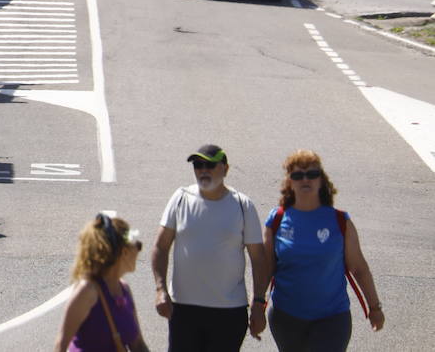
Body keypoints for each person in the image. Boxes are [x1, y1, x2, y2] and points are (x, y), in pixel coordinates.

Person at [152, 143, 268, 350]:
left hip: (229, 312)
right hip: (183, 309)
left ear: (225, 168)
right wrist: (161, 289)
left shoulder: (242, 205)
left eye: (210, 165)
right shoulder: (180, 199)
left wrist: (259, 304)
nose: (203, 170)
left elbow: (258, 259)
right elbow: (161, 246)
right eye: (198, 165)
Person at [264, 150, 383, 351]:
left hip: (332, 318)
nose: (305, 180)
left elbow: (359, 268)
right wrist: (258, 305)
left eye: (312, 174)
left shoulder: (339, 221)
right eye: (297, 175)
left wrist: (374, 307)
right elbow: (265, 267)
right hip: (286, 316)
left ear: (321, 180)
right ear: (289, 182)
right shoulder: (277, 219)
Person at [55, 212, 150, 351]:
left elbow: (138, 345)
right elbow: (60, 345)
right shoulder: (87, 291)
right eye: (138, 245)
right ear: (124, 251)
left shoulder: (124, 290)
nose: (139, 250)